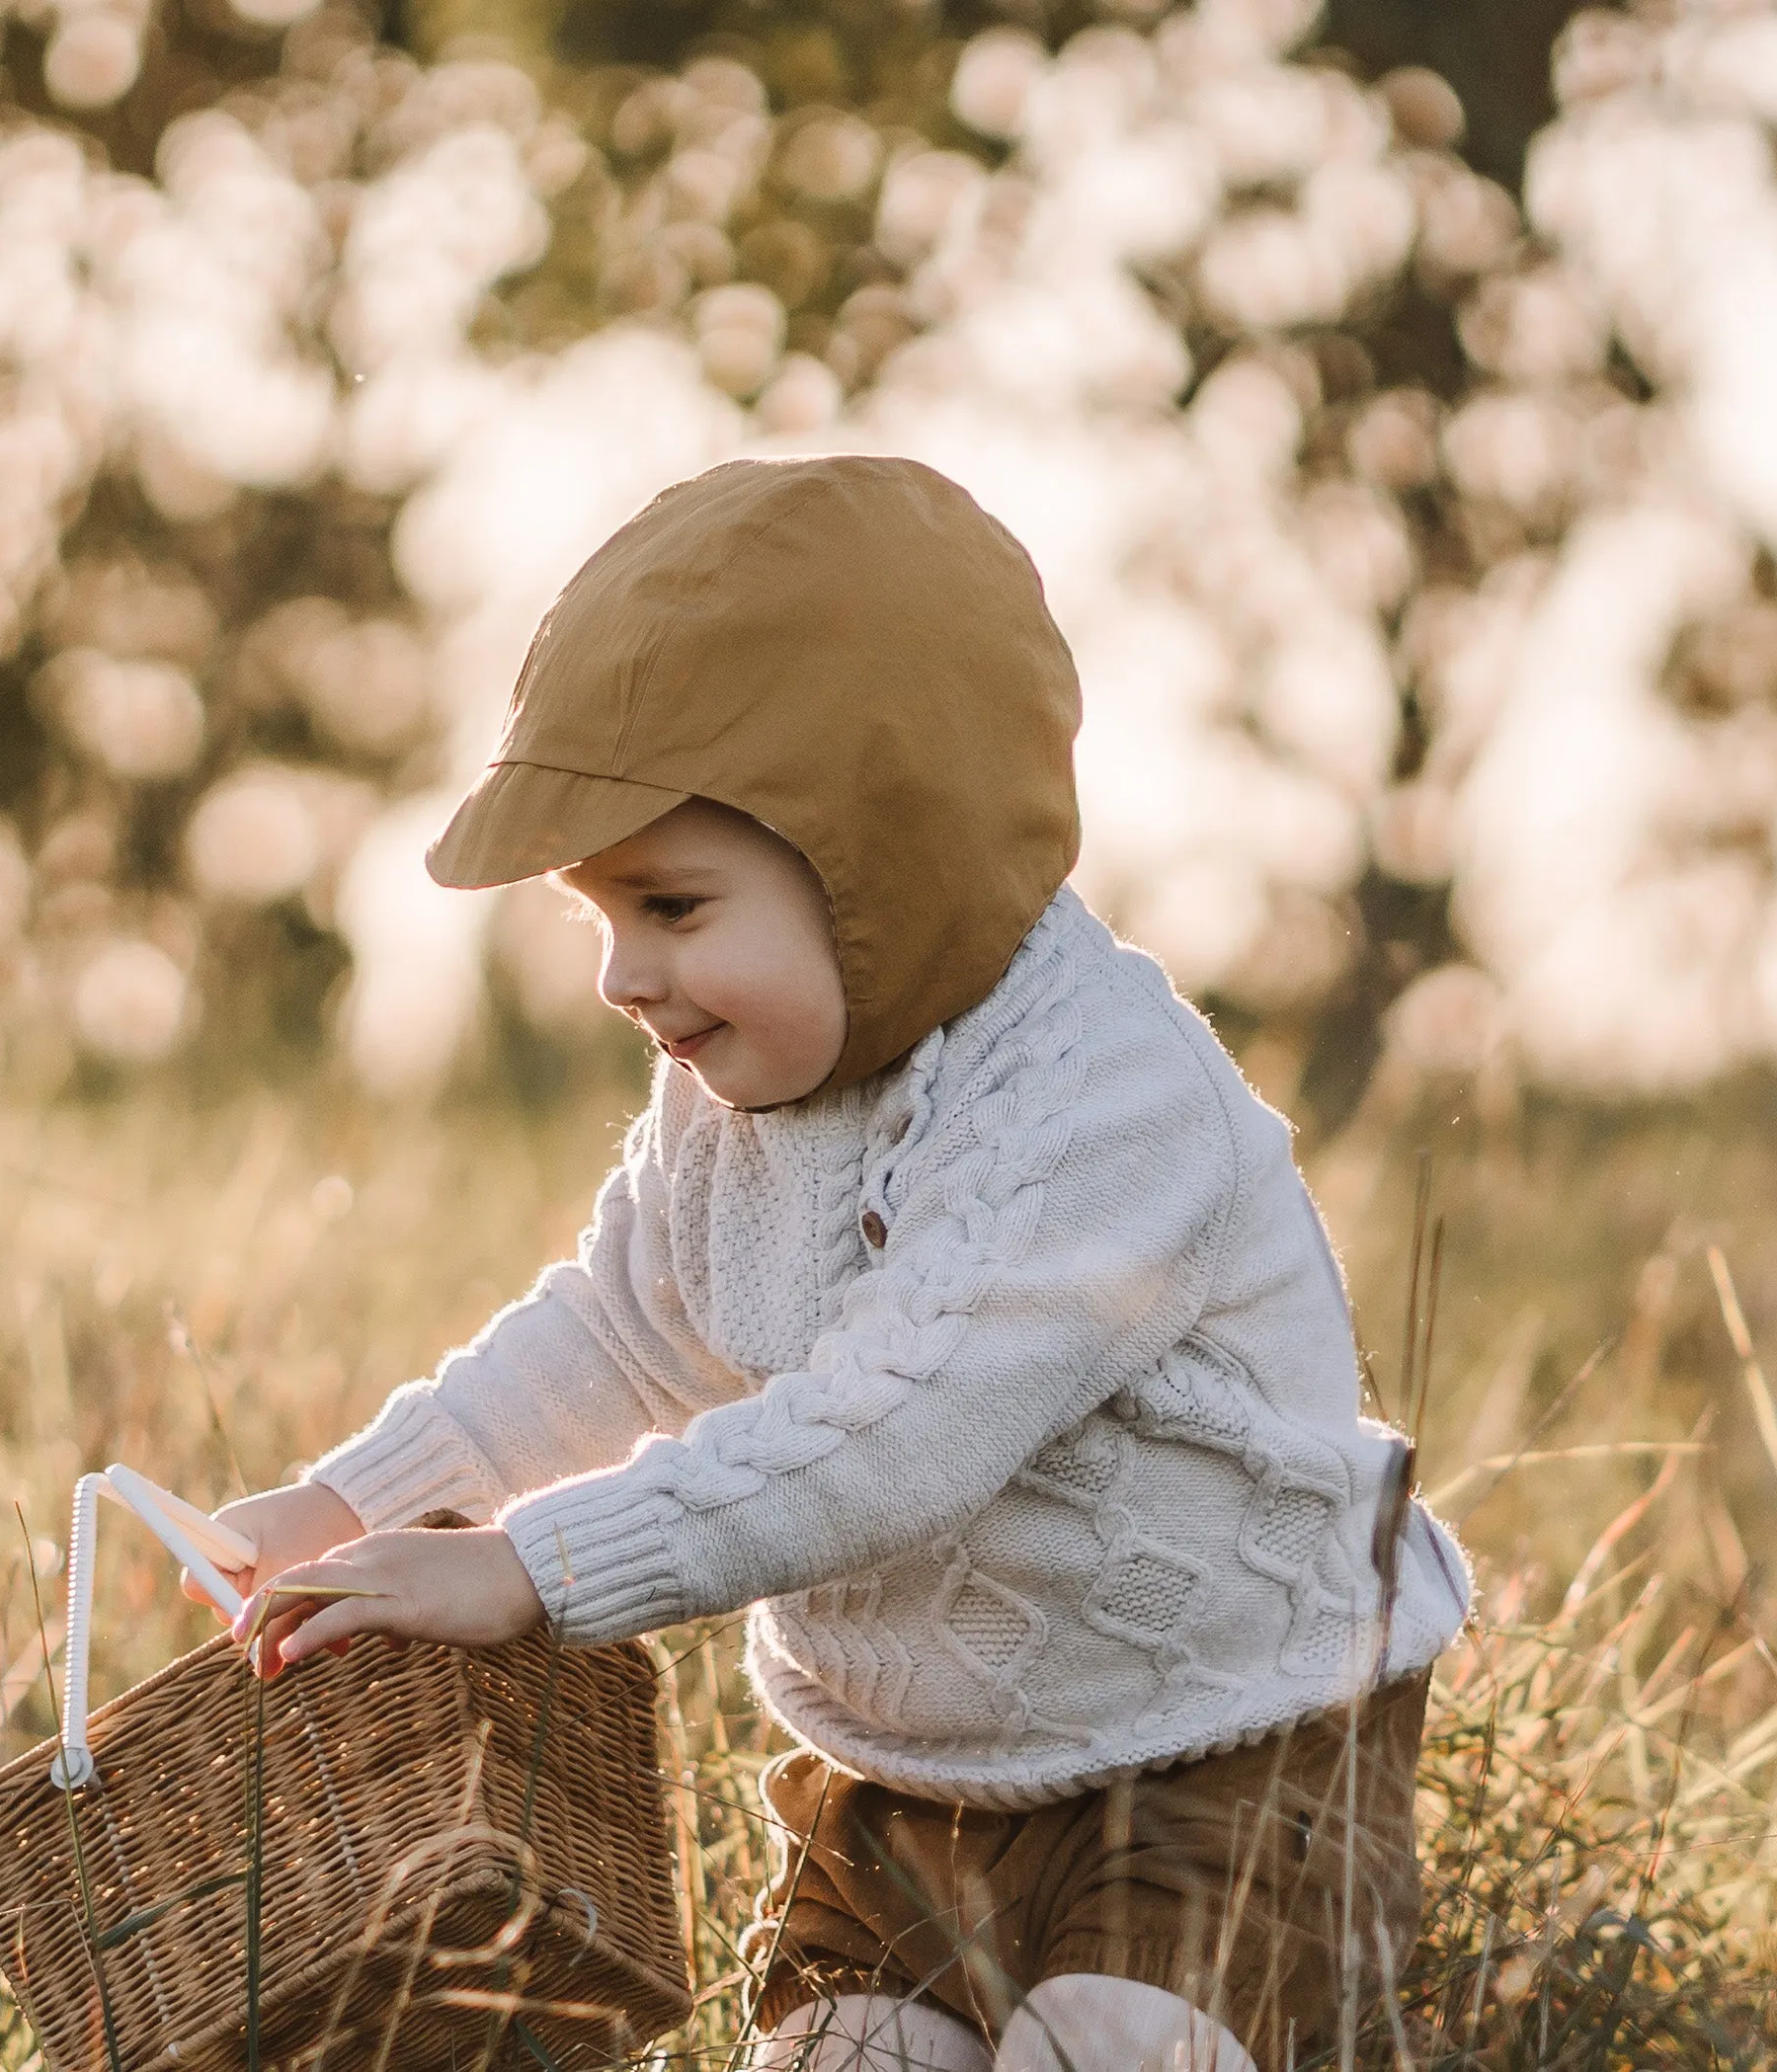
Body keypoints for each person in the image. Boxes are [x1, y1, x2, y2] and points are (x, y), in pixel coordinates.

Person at [199, 454, 1473, 2072]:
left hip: (1220, 1740)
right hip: (904, 1776)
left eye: (671, 902)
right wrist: (350, 1501)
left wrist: (532, 1566)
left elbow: (900, 1423)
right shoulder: (735, 1093)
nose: (621, 973)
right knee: (841, 2060)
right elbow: (615, 1328)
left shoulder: (1101, 1096)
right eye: (602, 915)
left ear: (886, 855)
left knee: (1105, 2044)